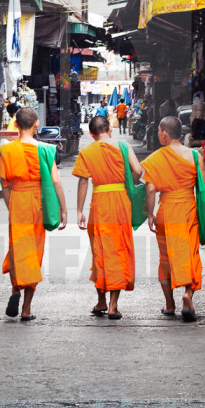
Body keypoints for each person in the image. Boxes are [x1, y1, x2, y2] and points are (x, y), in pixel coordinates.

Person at [0, 107, 68, 320]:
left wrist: (12, 207)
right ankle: (26, 309)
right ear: (37, 124)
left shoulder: (7, 151)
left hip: (17, 200)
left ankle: (15, 289)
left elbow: (4, 185)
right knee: (34, 252)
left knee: (18, 249)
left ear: (15, 125)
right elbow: (55, 181)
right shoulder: (46, 149)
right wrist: (63, 209)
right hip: (38, 203)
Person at [72, 115, 142, 320]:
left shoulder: (87, 151)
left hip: (99, 202)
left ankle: (101, 301)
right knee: (118, 249)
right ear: (110, 128)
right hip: (121, 202)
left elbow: (83, 182)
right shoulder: (123, 146)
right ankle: (112, 305)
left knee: (100, 251)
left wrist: (79, 210)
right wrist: (129, 184)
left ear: (92, 134)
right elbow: (138, 170)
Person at [142, 116, 205, 322]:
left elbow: (151, 188)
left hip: (167, 211)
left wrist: (150, 213)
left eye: (159, 132)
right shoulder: (194, 155)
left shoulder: (155, 158)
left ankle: (170, 305)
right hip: (189, 209)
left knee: (166, 259)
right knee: (190, 254)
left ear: (164, 132)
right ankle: (188, 294)